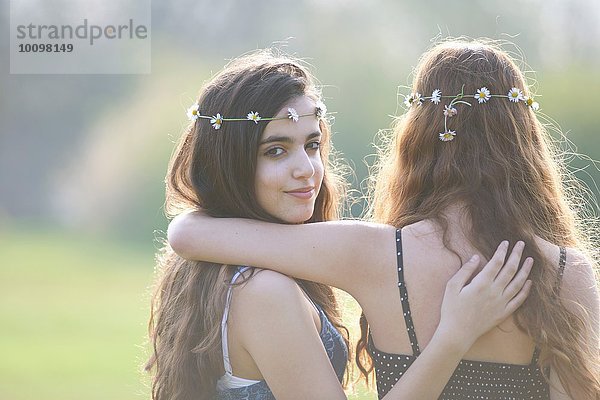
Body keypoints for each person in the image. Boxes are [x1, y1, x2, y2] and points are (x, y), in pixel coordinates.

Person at [167, 40, 600, 399]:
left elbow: (186, 232)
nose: (307, 169)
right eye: (276, 150)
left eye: (314, 146)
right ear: (525, 140)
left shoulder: (376, 252)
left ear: (415, 138)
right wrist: (454, 333)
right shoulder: (567, 274)